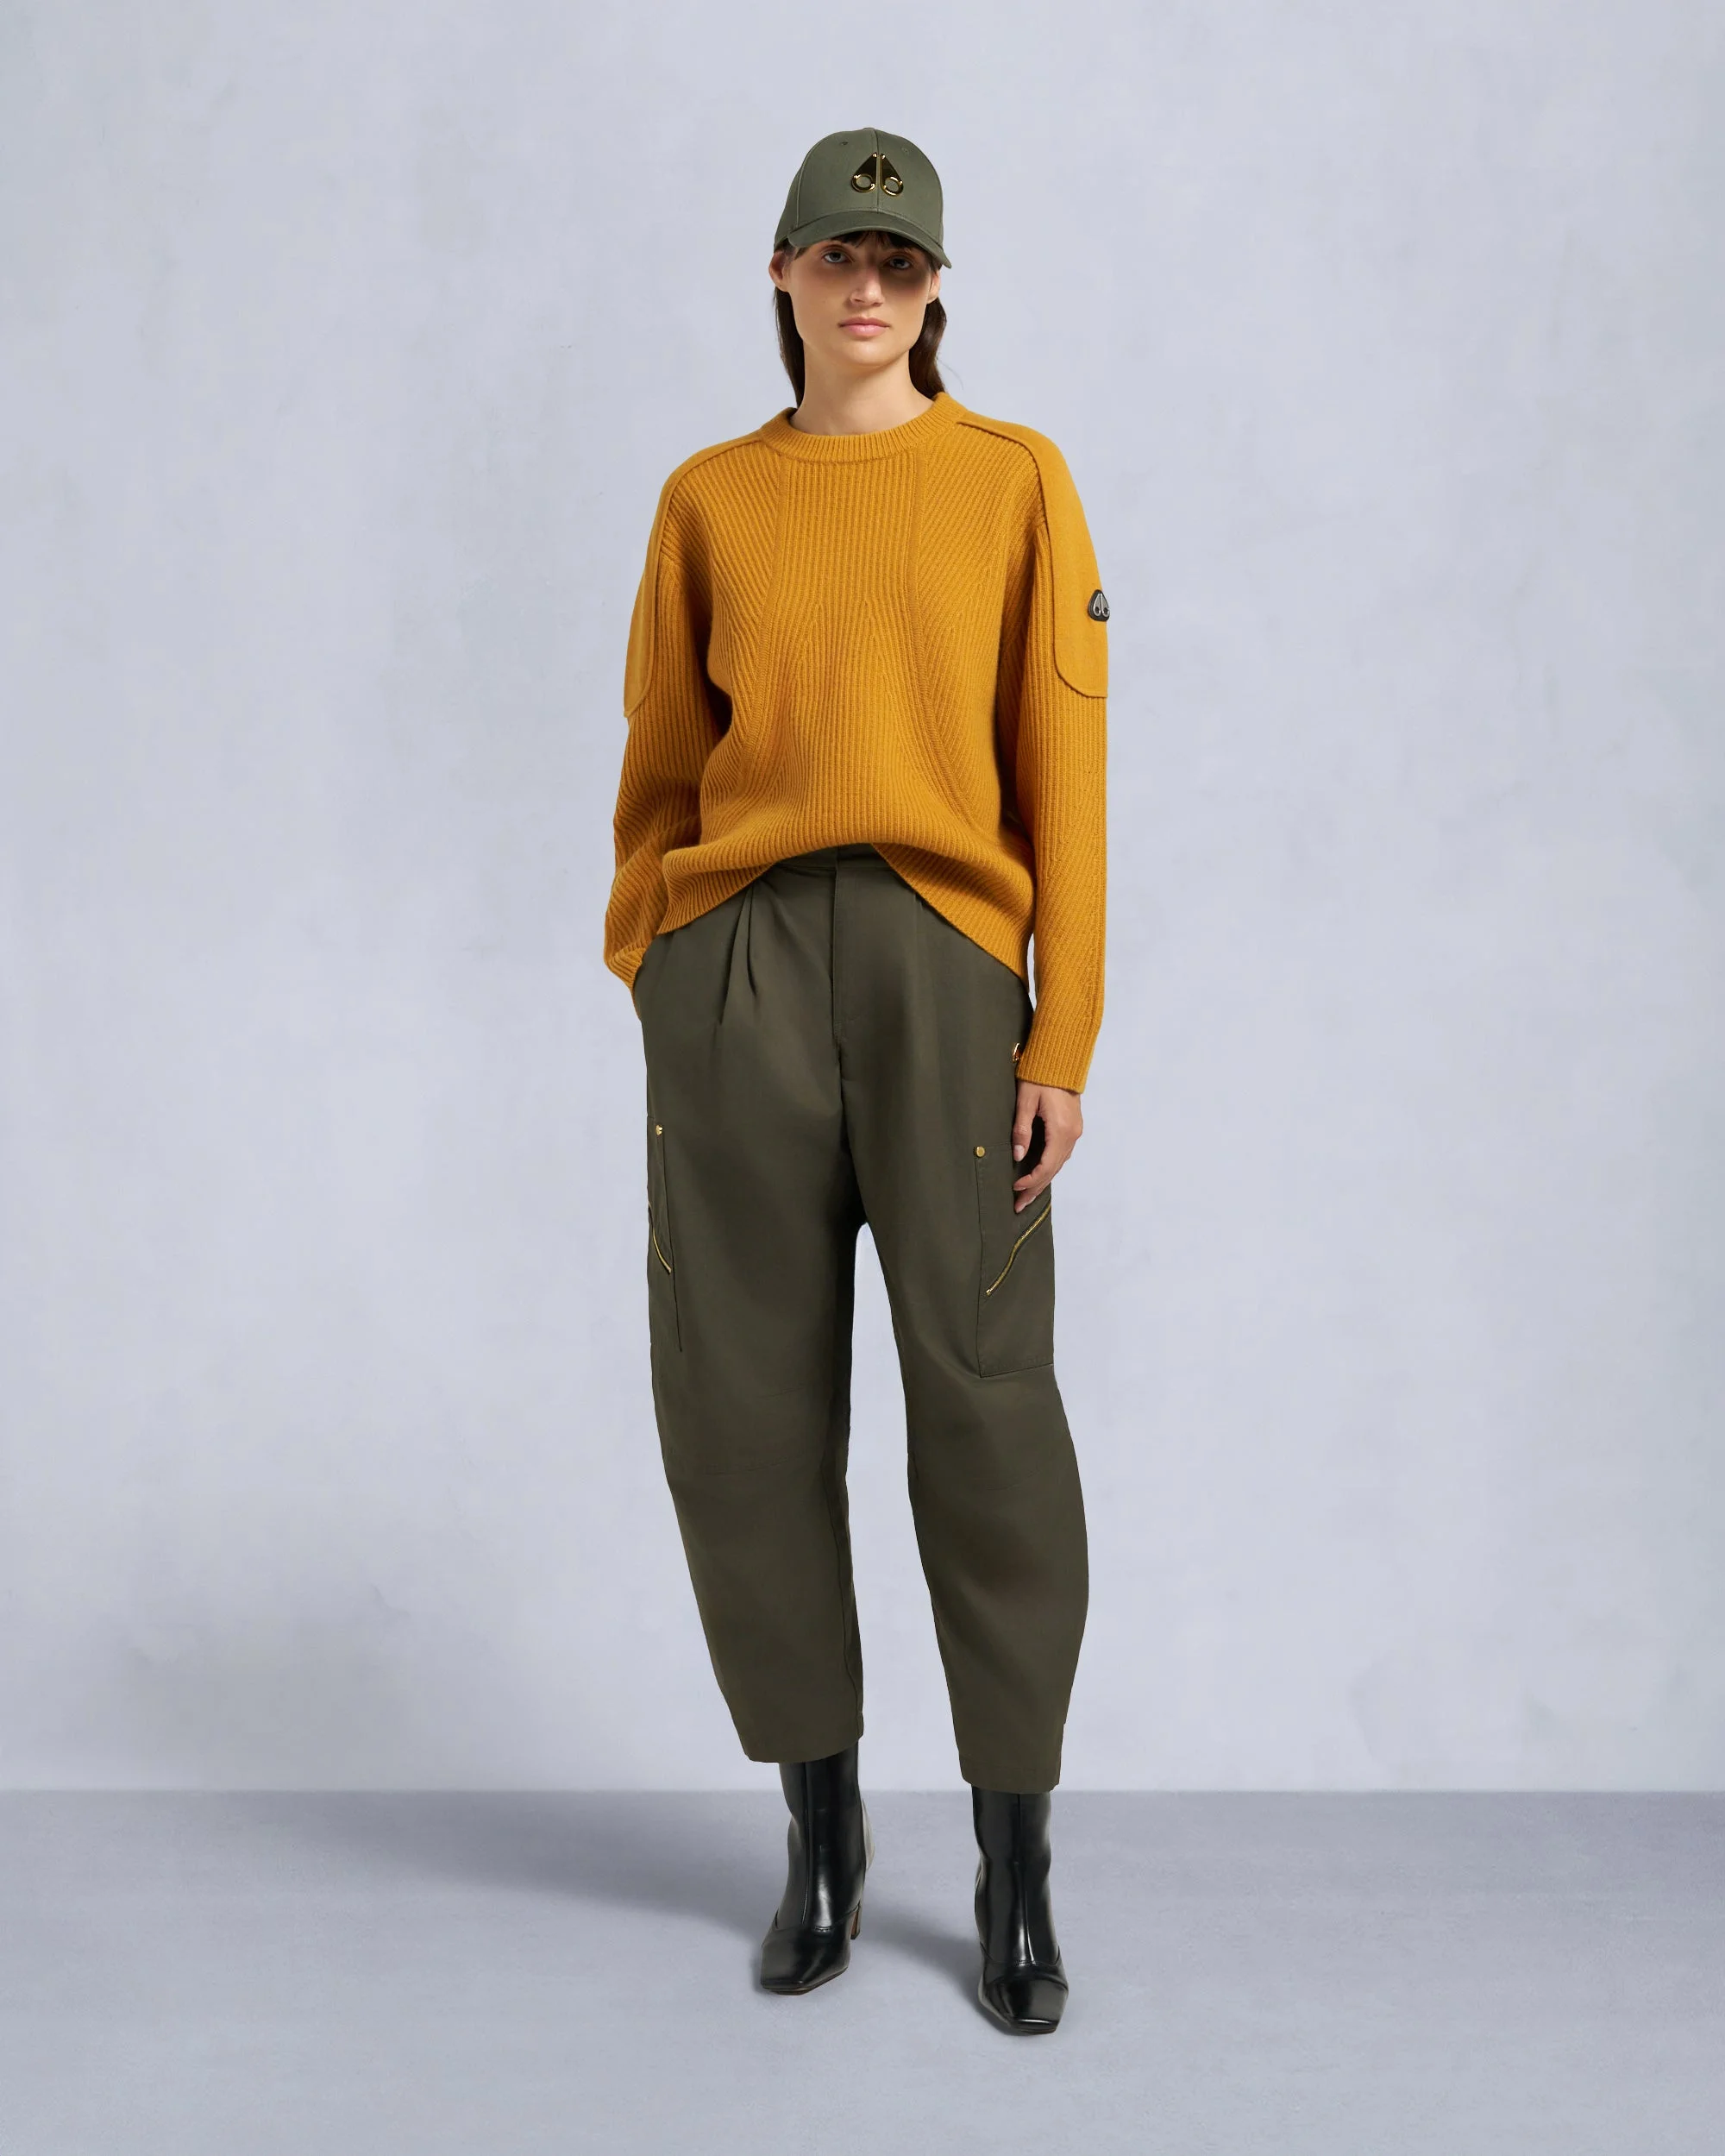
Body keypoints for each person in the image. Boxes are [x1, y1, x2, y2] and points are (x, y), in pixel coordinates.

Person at [603, 126, 1107, 2034]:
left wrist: (1059, 1034)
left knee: (985, 1406)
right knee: (740, 1404)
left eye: (897, 262)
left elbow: (1067, 776)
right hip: (735, 963)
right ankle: (820, 1834)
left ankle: (1013, 1861)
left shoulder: (1013, 482)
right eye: (836, 257)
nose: (867, 287)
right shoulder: (710, 499)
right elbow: (661, 756)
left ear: (936, 284)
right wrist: (657, 957)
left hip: (945, 966)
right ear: (784, 274)